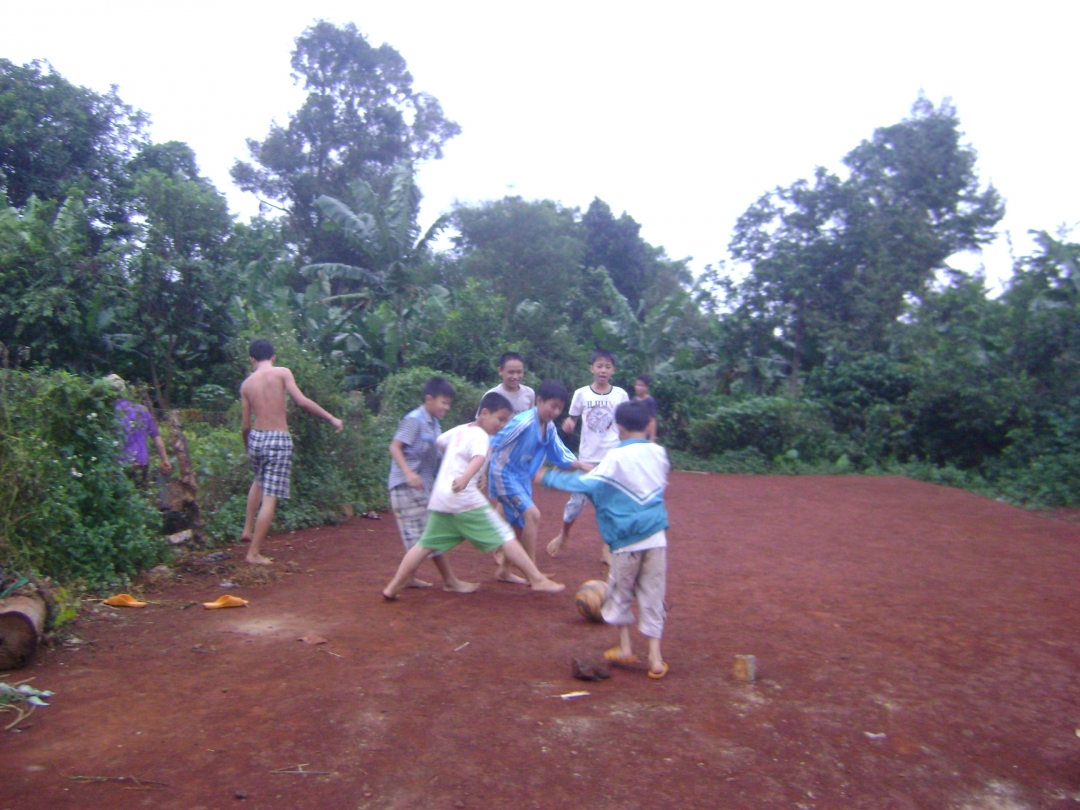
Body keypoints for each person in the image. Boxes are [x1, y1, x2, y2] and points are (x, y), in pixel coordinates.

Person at [382, 391, 566, 599]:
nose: (502, 425)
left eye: (506, 421)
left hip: (442, 497)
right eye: (500, 419)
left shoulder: (461, 430)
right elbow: (478, 458)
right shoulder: (481, 435)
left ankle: (392, 588)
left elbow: (441, 441)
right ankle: (537, 579)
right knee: (504, 534)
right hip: (464, 498)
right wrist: (467, 476)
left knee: (424, 545)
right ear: (485, 413)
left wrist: (463, 468)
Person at [536, 400, 671, 678]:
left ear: (618, 427)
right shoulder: (660, 454)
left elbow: (586, 484)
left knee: (620, 593)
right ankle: (655, 659)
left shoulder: (615, 457)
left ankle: (625, 647)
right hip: (656, 537)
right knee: (653, 596)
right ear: (648, 425)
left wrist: (547, 477)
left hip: (625, 541)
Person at [240, 339, 343, 565]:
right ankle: (254, 553)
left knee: (258, 480)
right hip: (278, 439)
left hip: (256, 437)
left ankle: (247, 528)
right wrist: (331, 417)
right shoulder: (282, 373)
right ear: (274, 357)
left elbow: (245, 425)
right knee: (270, 497)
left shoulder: (246, 384)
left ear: (252, 360)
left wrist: (248, 445)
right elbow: (302, 401)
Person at [488, 380, 593, 583]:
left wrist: (581, 465)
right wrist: (474, 472)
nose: (555, 411)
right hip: (504, 473)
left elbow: (559, 452)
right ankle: (533, 574)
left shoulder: (550, 427)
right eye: (553, 406)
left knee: (519, 525)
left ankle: (504, 570)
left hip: (521, 477)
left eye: (560, 408)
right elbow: (494, 442)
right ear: (539, 401)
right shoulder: (523, 422)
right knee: (533, 515)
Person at [388, 376, 477, 593]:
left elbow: (441, 456)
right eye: (443, 402)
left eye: (448, 403)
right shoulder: (415, 420)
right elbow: (395, 447)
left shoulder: (435, 424)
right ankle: (449, 580)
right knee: (430, 534)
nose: (446, 407)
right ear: (429, 399)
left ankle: (408, 578)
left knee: (422, 535)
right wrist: (408, 473)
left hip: (422, 488)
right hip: (406, 487)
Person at [547, 350, 629, 562]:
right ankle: (564, 533)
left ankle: (607, 547)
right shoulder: (582, 394)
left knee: (609, 503)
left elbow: (625, 423)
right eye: (599, 366)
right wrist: (569, 424)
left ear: (613, 370)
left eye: (607, 366)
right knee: (576, 503)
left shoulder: (620, 395)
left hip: (611, 456)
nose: (603, 370)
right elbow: (572, 419)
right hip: (587, 458)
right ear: (591, 368)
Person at [106, 374, 172, 486]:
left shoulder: (109, 413)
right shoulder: (142, 410)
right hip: (142, 463)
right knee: (141, 496)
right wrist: (164, 459)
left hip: (121, 465)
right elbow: (156, 436)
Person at [477, 352, 535, 416]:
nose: (515, 376)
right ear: (500, 371)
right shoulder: (491, 395)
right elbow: (481, 422)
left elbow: (531, 420)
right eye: (511, 372)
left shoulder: (529, 393)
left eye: (519, 372)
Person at [633, 373, 659, 442]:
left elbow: (652, 420)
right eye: (637, 385)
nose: (638, 388)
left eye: (641, 386)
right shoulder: (634, 400)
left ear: (647, 387)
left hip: (645, 434)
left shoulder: (650, 401)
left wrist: (652, 438)